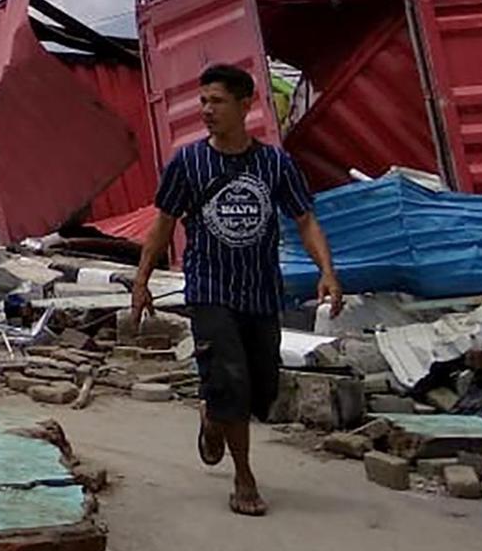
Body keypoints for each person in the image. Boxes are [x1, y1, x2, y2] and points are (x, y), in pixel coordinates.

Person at [131, 63, 340, 517]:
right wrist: (141, 281)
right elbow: (163, 224)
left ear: (246, 106)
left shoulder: (274, 164)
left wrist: (327, 271)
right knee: (231, 379)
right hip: (210, 288)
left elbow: (304, 219)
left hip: (261, 291)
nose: (206, 110)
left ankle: (213, 416)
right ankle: (244, 476)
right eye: (203, 101)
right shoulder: (188, 163)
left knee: (261, 389)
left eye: (217, 101)